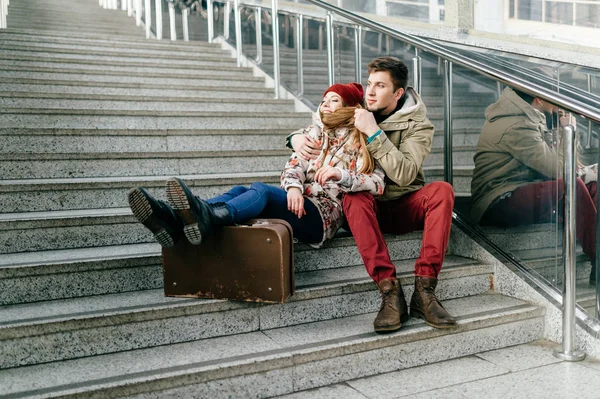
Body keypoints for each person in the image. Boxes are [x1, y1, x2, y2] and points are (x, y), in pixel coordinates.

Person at [289, 56, 456, 333]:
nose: (370, 91)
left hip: (403, 206)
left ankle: (425, 291)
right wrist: (294, 138)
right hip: (366, 208)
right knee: (353, 195)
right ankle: (389, 291)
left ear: (398, 93)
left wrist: (374, 133)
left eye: (380, 86)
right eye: (369, 84)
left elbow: (404, 173)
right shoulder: (358, 110)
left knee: (442, 191)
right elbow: (323, 118)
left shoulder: (418, 125)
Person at [127, 82, 385, 252]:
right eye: (324, 99)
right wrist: (293, 187)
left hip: (323, 217)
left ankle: (201, 216)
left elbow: (378, 182)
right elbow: (293, 166)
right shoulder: (314, 133)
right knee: (241, 189)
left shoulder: (363, 137)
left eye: (334, 100)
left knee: (261, 191)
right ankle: (176, 219)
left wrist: (342, 174)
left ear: (350, 107)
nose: (325, 104)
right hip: (301, 203)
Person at [470, 86, 597, 284]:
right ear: (538, 98)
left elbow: (557, 167)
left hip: (523, 190)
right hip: (498, 201)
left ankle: (596, 266)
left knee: (593, 186)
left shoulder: (529, 117)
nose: (559, 100)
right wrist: (567, 132)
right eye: (553, 95)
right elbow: (559, 170)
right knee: (573, 185)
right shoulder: (516, 125)